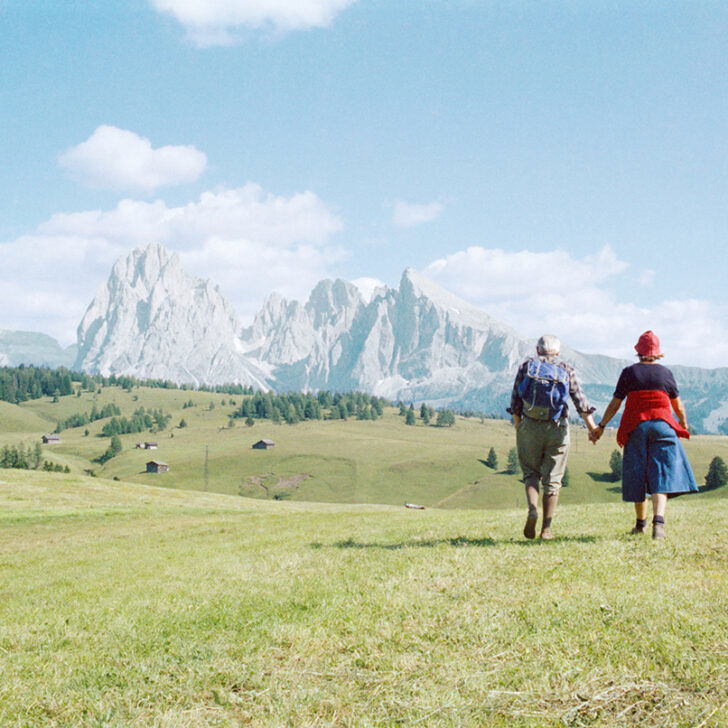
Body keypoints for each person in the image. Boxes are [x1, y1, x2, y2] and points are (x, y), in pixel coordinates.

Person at [590, 330, 698, 539]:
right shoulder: (666, 374)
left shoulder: (629, 373)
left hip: (637, 427)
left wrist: (601, 426)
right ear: (658, 353)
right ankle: (659, 523)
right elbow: (678, 406)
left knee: (638, 474)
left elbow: (615, 403)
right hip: (663, 427)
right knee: (661, 474)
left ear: (638, 352)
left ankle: (640, 525)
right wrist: (683, 425)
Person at [508, 335, 598, 540]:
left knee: (530, 473)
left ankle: (532, 509)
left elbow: (515, 400)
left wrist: (519, 425)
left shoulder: (526, 366)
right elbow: (580, 401)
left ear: (537, 350)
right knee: (553, 478)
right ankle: (546, 529)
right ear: (557, 352)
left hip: (530, 425)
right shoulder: (566, 368)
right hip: (557, 428)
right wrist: (592, 428)